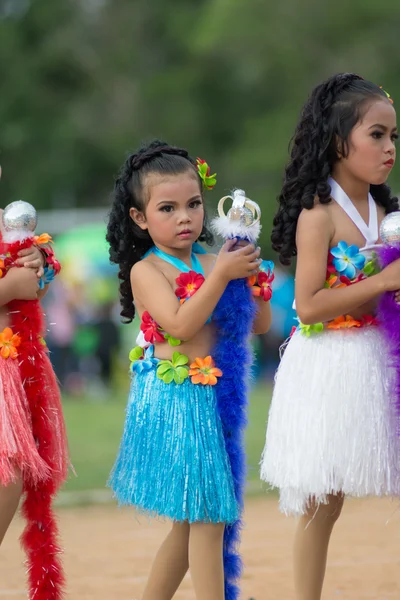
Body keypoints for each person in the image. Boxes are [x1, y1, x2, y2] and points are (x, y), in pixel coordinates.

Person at [106, 139, 272, 600]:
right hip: (178, 397)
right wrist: (221, 276)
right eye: (168, 207)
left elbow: (261, 325)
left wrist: (251, 284)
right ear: (140, 217)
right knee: (210, 514)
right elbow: (178, 326)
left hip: (214, 395)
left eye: (194, 204)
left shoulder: (213, 260)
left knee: (191, 521)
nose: (185, 216)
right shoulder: (148, 270)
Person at [260, 73, 400, 600]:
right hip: (330, 365)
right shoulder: (317, 215)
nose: (389, 149)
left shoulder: (388, 215)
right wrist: (384, 280)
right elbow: (309, 306)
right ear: (339, 141)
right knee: (324, 499)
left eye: (393, 138)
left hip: (381, 357)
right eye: (377, 135)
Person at [0, 171, 68, 599]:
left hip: (16, 367)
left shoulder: (7, 223)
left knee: (16, 474)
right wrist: (8, 286)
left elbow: (33, 290)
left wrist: (37, 268)